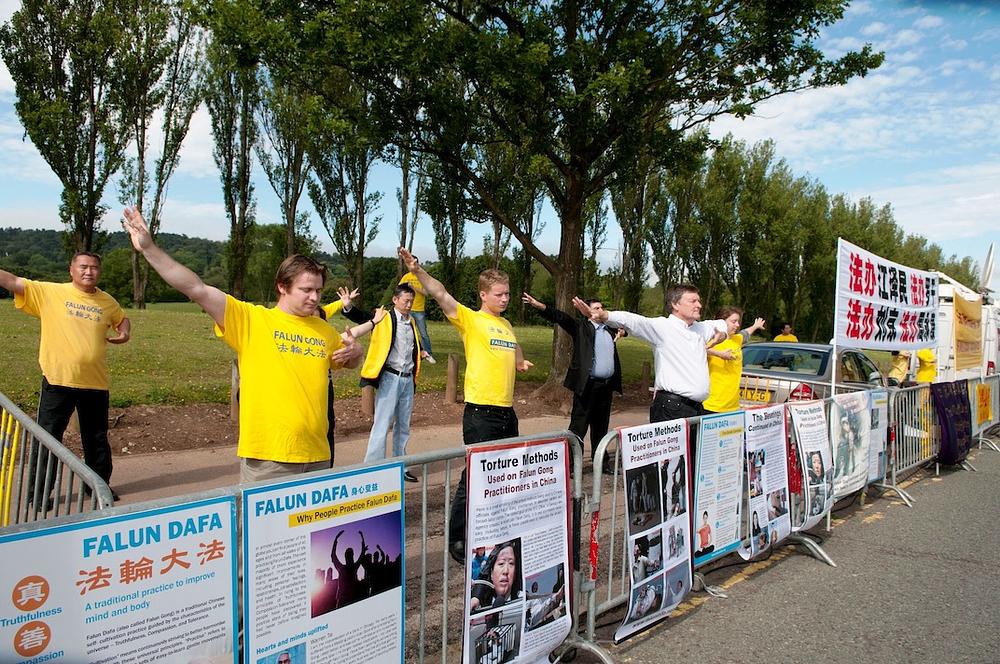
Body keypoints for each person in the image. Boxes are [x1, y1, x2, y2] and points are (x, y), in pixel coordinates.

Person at [121, 207, 363, 482]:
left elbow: (348, 362)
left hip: (318, 454)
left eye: (318, 290)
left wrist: (357, 352)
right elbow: (196, 288)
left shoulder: (323, 329)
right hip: (269, 458)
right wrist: (149, 248)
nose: (314, 297)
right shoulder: (251, 320)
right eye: (306, 290)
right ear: (282, 287)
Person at [398, 248, 532, 563]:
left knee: (503, 476)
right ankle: (458, 537)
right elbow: (440, 293)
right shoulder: (470, 319)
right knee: (474, 475)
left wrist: (520, 360)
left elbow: (513, 345)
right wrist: (417, 271)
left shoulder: (506, 324)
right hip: (481, 413)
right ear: (483, 295)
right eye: (499, 294)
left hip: (507, 412)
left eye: (507, 294)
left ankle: (493, 531)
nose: (505, 299)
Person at [1, 252, 131, 503]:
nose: (89, 272)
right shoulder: (50, 292)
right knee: (48, 440)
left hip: (95, 383)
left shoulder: (107, 301)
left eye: (94, 267)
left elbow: (122, 318)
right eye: (83, 266)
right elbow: (12, 281)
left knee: (97, 441)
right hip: (57, 381)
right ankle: (38, 496)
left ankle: (98, 488)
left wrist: (124, 332)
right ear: (71, 270)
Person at [572, 284, 727, 424]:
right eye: (693, 301)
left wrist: (722, 335)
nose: (699, 305)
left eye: (699, 301)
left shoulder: (701, 328)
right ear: (675, 304)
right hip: (672, 409)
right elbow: (632, 321)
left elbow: (723, 324)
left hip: (696, 409)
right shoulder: (663, 327)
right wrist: (603, 315)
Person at [522, 292, 623, 465]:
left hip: (606, 387)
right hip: (587, 386)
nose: (600, 310)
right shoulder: (581, 327)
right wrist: (540, 307)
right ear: (586, 311)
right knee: (579, 426)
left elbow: (625, 327)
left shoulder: (609, 328)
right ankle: (572, 464)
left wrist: (622, 331)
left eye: (601, 308)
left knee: (601, 427)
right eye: (596, 308)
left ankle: (601, 463)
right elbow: (561, 318)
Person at [339, 284, 422, 482]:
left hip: (407, 378)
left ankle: (401, 465)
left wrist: (422, 353)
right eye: (406, 301)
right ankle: (373, 468)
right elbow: (362, 317)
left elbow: (411, 346)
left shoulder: (411, 322)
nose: (409, 305)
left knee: (403, 425)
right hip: (391, 377)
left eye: (411, 301)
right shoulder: (383, 316)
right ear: (395, 300)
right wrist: (348, 306)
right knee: (382, 423)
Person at [703, 307, 766, 414]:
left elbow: (745, 333)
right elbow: (697, 349)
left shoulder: (736, 339)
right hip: (712, 405)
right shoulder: (711, 341)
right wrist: (719, 354)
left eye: (738, 321)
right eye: (733, 321)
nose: (737, 325)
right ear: (721, 322)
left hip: (733, 406)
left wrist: (755, 326)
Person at [399, 264, 436, 364]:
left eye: (413, 264)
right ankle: (409, 353)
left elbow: (426, 293)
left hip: (419, 310)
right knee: (406, 332)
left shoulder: (422, 278)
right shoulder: (406, 277)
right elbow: (399, 290)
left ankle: (428, 354)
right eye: (409, 265)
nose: (411, 267)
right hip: (407, 310)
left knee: (423, 334)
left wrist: (413, 287)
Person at [470, 541, 522, 611]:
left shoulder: (524, 598)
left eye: (511, 563)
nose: (505, 571)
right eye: (501, 564)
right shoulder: (478, 604)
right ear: (491, 573)